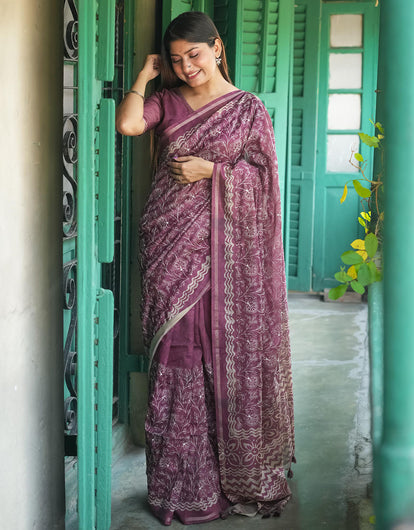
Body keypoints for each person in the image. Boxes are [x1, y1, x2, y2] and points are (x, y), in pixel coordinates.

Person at [116, 11, 295, 527]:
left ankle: (231, 477)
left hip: (226, 261)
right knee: (176, 359)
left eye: (194, 54)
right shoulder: (166, 101)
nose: (187, 66)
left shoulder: (248, 109)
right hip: (170, 250)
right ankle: (181, 489)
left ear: (217, 48)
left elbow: (264, 183)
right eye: (176, 60)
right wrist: (145, 76)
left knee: (223, 355)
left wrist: (212, 171)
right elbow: (129, 124)